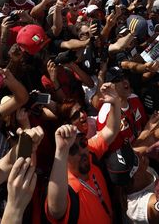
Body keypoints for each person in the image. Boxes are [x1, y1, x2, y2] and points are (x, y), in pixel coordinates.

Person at [45, 83, 122, 224]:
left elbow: (111, 130)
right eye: (72, 150)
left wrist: (115, 103)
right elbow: (55, 210)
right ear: (63, 158)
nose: (82, 152)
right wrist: (61, 150)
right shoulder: (66, 186)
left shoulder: (90, 151)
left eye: (83, 143)